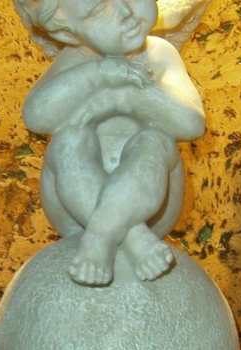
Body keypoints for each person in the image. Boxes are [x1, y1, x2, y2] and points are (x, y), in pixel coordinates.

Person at [15, 0, 205, 285]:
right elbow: (36, 116)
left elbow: (191, 123)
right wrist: (99, 74)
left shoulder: (159, 54)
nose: (126, 12)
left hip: (154, 209)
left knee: (156, 141)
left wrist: (125, 98)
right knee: (68, 141)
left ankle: (101, 236)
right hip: (75, 212)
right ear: (67, 32)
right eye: (97, 11)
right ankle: (132, 237)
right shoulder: (75, 62)